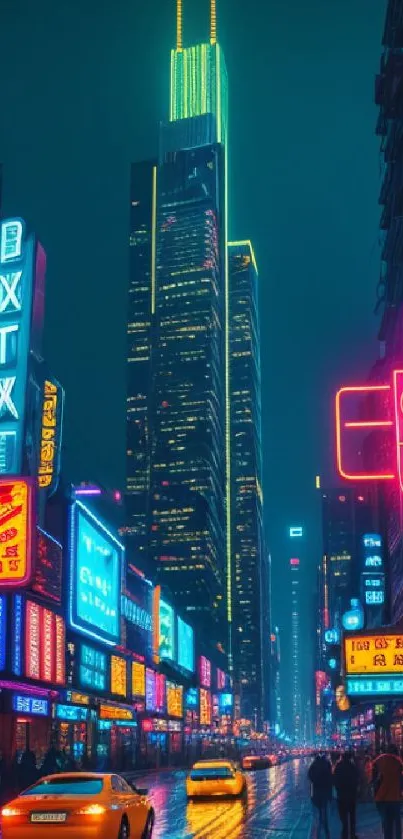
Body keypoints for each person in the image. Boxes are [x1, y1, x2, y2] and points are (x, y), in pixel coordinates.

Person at [372, 744, 403, 839]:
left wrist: (375, 795)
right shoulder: (399, 762)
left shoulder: (378, 761)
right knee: (397, 823)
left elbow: (374, 781)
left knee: (386, 823)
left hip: (381, 798)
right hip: (395, 797)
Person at [333, 751, 359, 839]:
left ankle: (344, 835)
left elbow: (335, 780)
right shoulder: (352, 767)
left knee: (343, 818)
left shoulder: (338, 766)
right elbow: (356, 780)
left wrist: (338, 790)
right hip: (352, 795)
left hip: (341, 796)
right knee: (352, 817)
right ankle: (352, 834)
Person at [308, 753, 333, 837]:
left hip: (316, 792)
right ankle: (326, 831)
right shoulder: (327, 764)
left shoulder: (314, 765)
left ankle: (318, 832)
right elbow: (330, 778)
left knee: (317, 813)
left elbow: (310, 776)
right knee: (325, 810)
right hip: (325, 791)